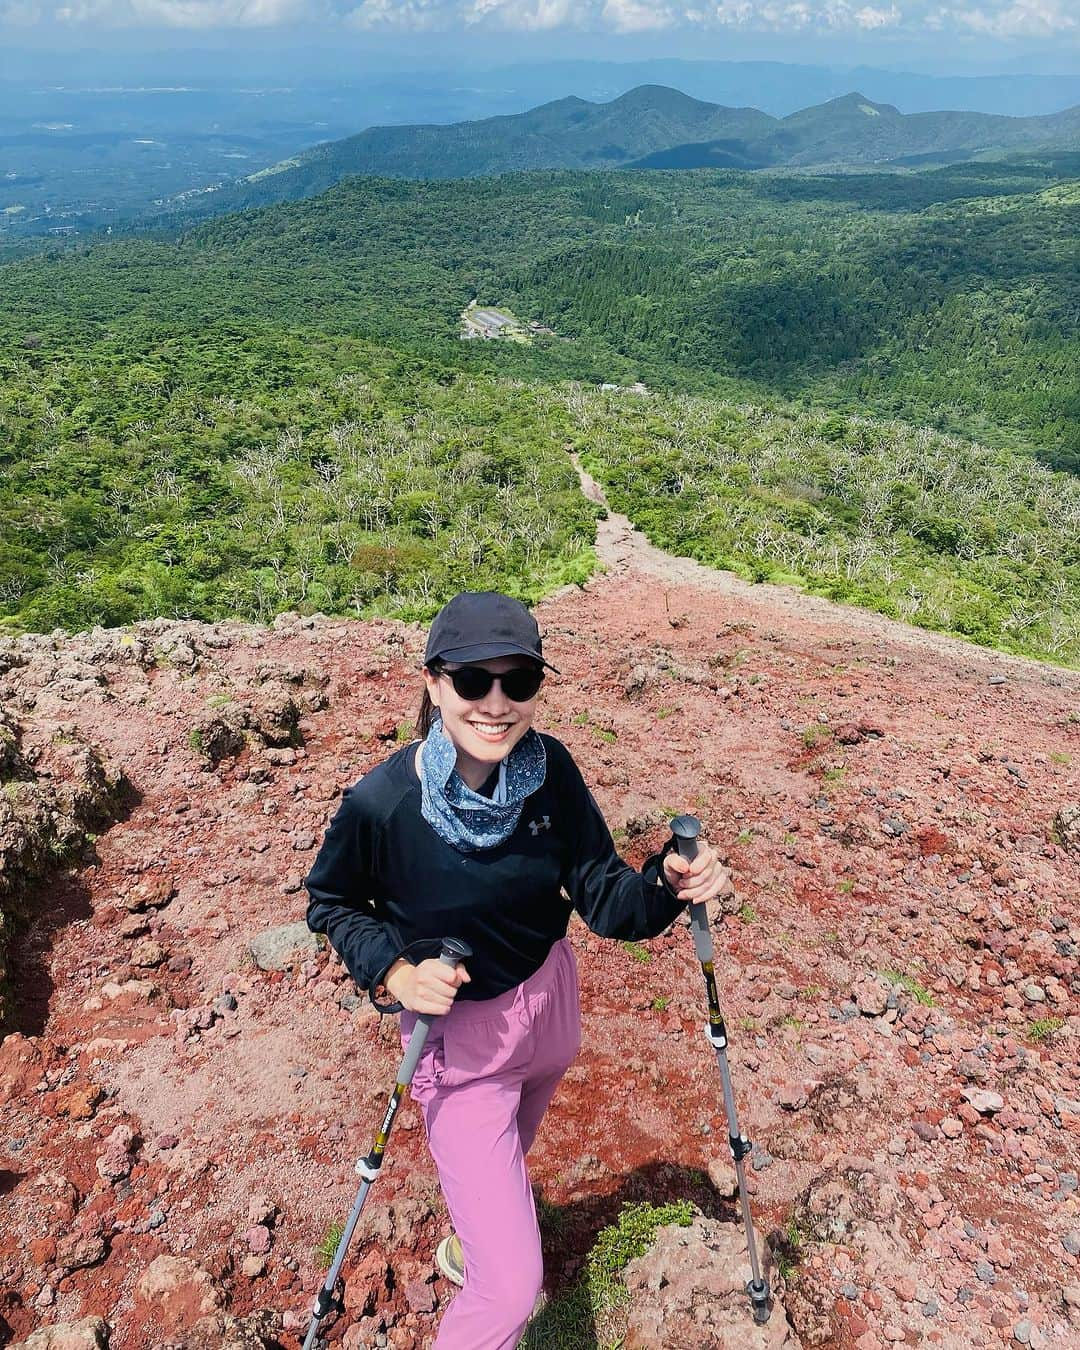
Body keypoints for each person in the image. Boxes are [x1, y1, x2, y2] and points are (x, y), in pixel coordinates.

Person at [305, 591, 732, 1350]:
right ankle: (489, 1255)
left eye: (519, 681)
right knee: (510, 1294)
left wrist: (667, 882)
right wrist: (395, 973)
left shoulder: (551, 773)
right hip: (456, 1047)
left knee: (509, 1161)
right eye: (473, 682)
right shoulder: (383, 803)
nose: (496, 704)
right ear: (435, 684)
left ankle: (472, 1238)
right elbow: (333, 901)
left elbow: (604, 897)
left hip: (549, 1006)